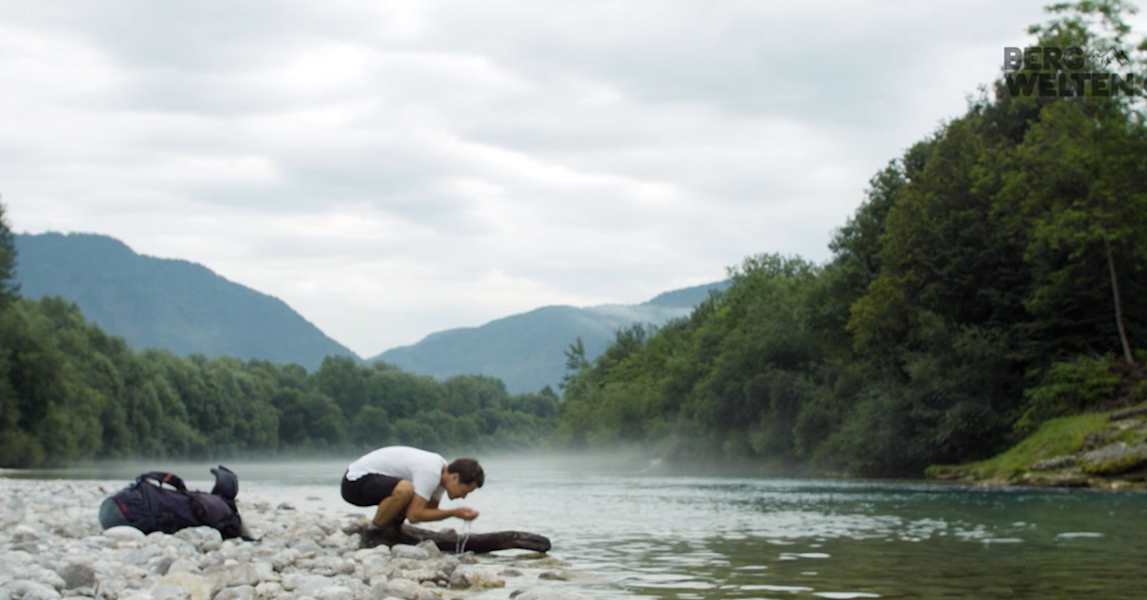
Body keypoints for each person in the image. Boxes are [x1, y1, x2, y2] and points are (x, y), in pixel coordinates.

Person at [341, 445, 483, 530]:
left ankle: (391, 529)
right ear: (455, 477)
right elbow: (414, 515)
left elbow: (427, 512)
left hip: (371, 482)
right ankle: (375, 531)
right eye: (465, 491)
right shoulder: (431, 471)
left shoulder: (441, 476)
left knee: (410, 494)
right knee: (406, 490)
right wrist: (454, 513)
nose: (463, 497)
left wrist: (454, 514)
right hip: (354, 482)